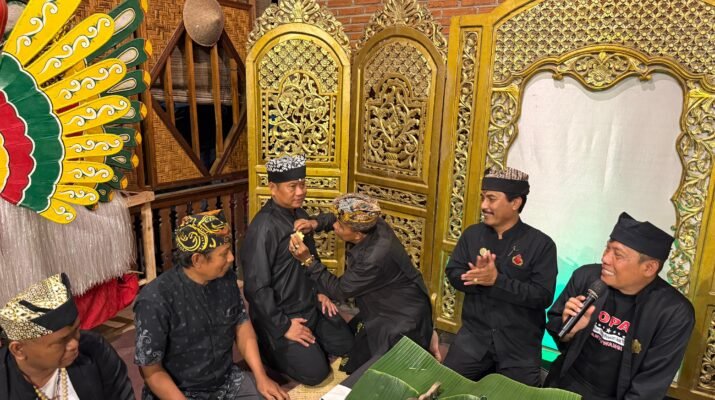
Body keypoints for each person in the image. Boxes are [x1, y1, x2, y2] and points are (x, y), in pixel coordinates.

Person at [134, 211, 287, 400]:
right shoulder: (155, 299)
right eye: (223, 253)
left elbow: (241, 324)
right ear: (197, 260)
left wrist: (261, 377)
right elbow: (151, 371)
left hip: (226, 381)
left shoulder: (226, 278)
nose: (231, 258)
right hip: (181, 392)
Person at [545, 212, 695, 400]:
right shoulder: (587, 277)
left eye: (618, 255)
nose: (605, 258)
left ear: (649, 268)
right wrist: (570, 332)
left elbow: (648, 388)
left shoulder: (674, 313)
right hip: (565, 384)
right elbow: (557, 328)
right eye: (607, 248)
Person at [290, 193, 440, 373]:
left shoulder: (373, 258)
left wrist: (308, 261)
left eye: (340, 226)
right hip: (384, 303)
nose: (335, 226)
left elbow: (339, 290)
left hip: (399, 317)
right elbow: (338, 217)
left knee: (377, 374)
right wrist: (316, 223)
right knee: (353, 352)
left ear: (358, 235)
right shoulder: (370, 223)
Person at [241, 154, 354, 386]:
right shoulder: (263, 229)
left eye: (303, 184)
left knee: (348, 345)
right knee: (316, 373)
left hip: (309, 303)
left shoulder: (300, 216)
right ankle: (268, 347)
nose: (300, 191)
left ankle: (311, 343)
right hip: (282, 314)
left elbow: (311, 262)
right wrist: (284, 326)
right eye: (292, 186)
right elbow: (256, 289)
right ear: (273, 188)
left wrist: (320, 292)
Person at [442, 167, 557, 386]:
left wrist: (497, 281)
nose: (484, 205)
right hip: (474, 339)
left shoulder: (541, 245)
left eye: (492, 199)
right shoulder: (472, 235)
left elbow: (542, 296)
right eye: (483, 198)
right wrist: (475, 278)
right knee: (443, 389)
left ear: (515, 203)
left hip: (518, 347)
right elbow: (453, 271)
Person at [0, 273, 134, 399]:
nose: (74, 344)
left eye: (76, 330)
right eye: (62, 340)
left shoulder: (95, 349)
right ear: (18, 349)